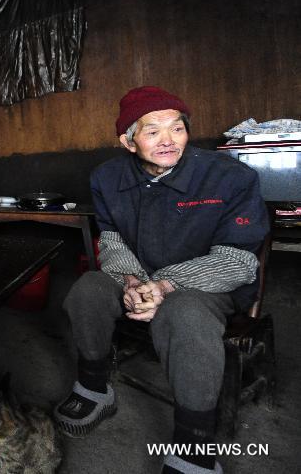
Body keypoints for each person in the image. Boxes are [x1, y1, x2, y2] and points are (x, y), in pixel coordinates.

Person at [53, 86, 269, 474]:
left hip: (209, 284)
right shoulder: (107, 177)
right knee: (87, 289)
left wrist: (165, 285)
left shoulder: (230, 178)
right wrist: (132, 281)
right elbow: (113, 238)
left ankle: (194, 445)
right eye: (152, 131)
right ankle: (93, 387)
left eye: (177, 128)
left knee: (183, 313)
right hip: (139, 274)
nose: (168, 140)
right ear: (128, 140)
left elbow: (237, 260)